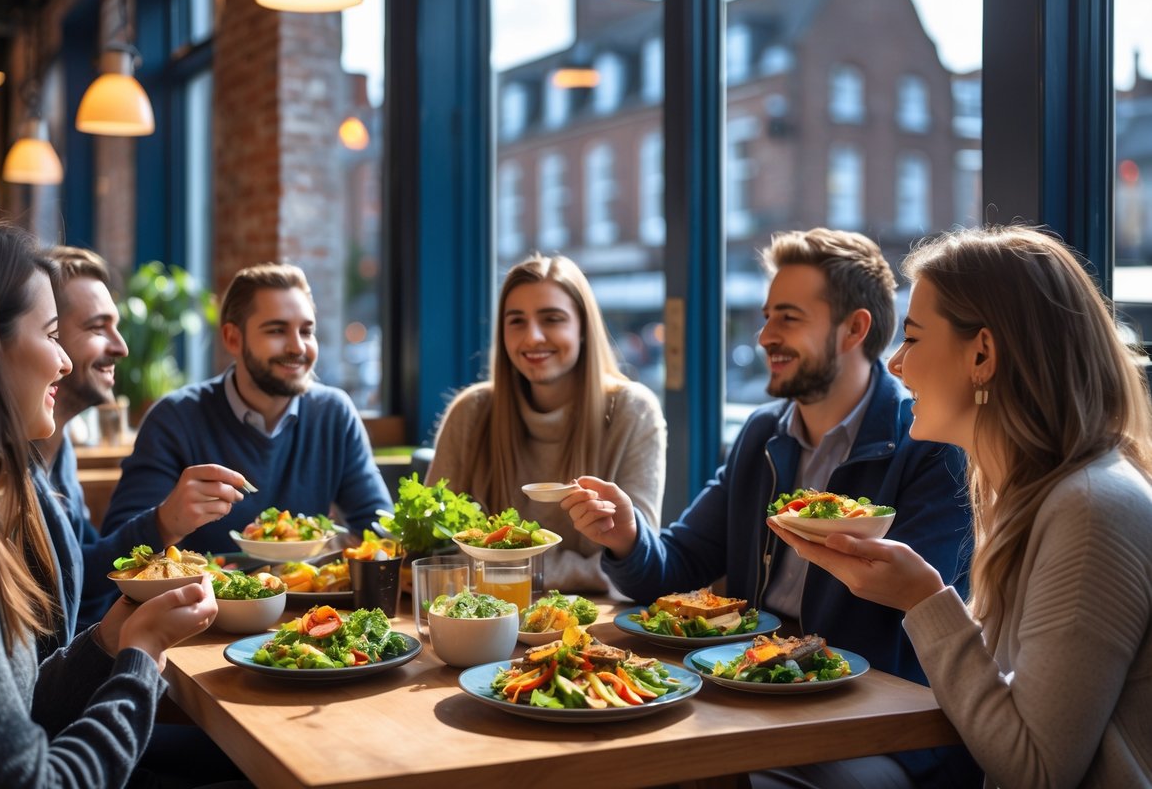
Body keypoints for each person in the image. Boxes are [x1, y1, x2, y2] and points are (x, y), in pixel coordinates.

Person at [565, 228, 977, 787]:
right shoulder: (763, 435)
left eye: (788, 318)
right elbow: (678, 564)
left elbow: (919, 623)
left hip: (876, 724)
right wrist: (625, 536)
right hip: (753, 693)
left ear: (854, 328)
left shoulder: (928, 445)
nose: (764, 337)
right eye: (766, 317)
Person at [767, 227, 1152, 788]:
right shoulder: (1035, 495)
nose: (896, 365)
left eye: (914, 339)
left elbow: (1036, 770)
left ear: (982, 353)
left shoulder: (1090, 511)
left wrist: (922, 601)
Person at [0, 213, 217, 786]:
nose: (63, 361)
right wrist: (140, 662)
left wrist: (110, 640)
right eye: (50, 334)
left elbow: (22, 711)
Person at [100, 263, 391, 559]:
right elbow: (115, 552)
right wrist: (165, 521)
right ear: (232, 339)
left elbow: (379, 529)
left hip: (312, 604)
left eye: (306, 331)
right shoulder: (175, 419)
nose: (297, 347)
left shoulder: (333, 414)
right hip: (205, 602)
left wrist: (330, 550)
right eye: (277, 330)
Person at [427, 253, 665, 592]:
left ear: (584, 329)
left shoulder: (633, 411)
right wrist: (574, 571)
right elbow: (438, 551)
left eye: (552, 319)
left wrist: (502, 566)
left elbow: (633, 563)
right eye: (517, 321)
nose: (533, 337)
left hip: (596, 626)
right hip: (482, 619)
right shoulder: (471, 412)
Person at [35, 246, 236, 638]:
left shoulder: (60, 452)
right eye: (97, 327)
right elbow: (67, 592)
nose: (122, 347)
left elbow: (85, 571)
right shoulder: (9, 472)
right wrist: (162, 522)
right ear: (50, 336)